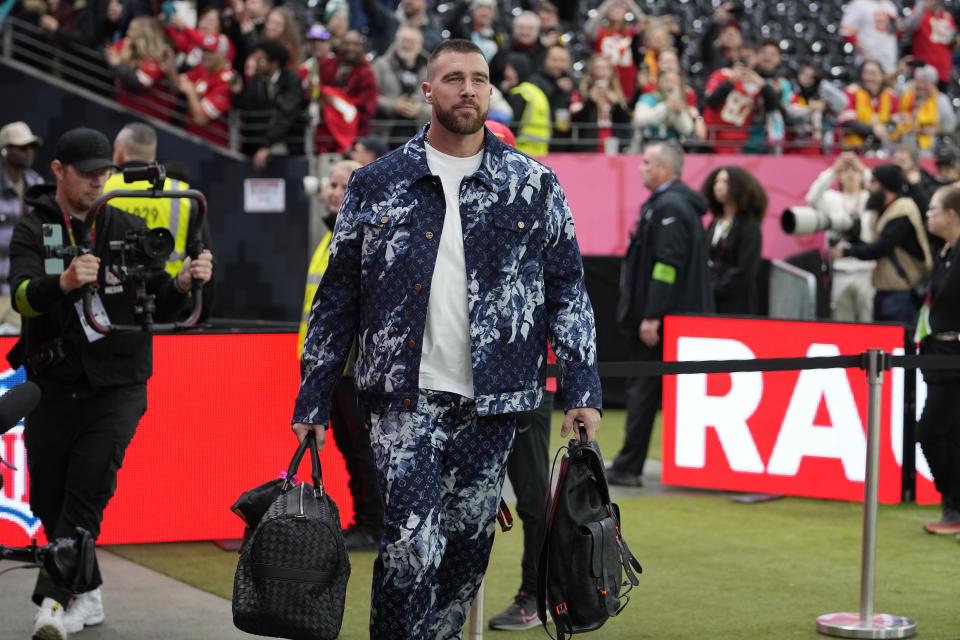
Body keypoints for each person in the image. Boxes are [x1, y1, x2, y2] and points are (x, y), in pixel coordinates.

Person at [291, 39, 602, 639]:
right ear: (428, 92)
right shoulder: (377, 184)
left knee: (463, 559)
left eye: (479, 79)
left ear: (490, 92)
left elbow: (568, 291)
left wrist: (582, 387)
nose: (468, 89)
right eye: (453, 78)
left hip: (494, 404)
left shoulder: (533, 185)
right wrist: (312, 398)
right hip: (403, 398)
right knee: (411, 547)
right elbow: (335, 302)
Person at [7, 127, 213, 639]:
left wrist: (185, 281)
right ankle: (89, 596)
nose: (99, 182)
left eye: (105, 172)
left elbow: (161, 299)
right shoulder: (33, 229)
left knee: (84, 499)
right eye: (88, 173)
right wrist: (65, 282)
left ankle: (52, 608)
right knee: (48, 504)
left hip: (118, 385)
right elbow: (24, 299)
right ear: (58, 171)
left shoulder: (125, 222)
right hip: (52, 384)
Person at [610, 142, 714, 487]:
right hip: (679, 317)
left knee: (643, 391)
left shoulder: (670, 207)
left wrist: (652, 315)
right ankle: (691, 466)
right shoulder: (673, 205)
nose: (640, 167)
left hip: (665, 320)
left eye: (648, 162)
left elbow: (667, 267)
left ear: (666, 170)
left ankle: (628, 466)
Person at [297, 158, 383, 551]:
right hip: (332, 368)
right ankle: (364, 521)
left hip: (353, 368)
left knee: (363, 452)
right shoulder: (331, 236)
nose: (333, 193)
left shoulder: (364, 239)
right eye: (331, 185)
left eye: (341, 185)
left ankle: (373, 524)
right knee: (352, 450)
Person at [105, 122, 215, 319]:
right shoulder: (184, 195)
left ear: (119, 153)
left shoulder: (101, 190)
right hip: (172, 307)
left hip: (110, 304)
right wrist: (201, 317)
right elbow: (203, 259)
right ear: (152, 156)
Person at [827, 164, 933, 324]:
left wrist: (845, 252)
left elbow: (880, 249)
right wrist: (853, 238)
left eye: (874, 182)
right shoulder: (887, 210)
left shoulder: (902, 210)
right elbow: (880, 247)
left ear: (886, 186)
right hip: (887, 292)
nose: (868, 187)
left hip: (901, 294)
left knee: (900, 344)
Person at [915, 184, 960, 535]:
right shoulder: (946, 251)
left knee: (930, 431)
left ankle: (953, 502)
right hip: (938, 353)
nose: (927, 213)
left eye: (932, 208)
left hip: (954, 358)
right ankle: (953, 508)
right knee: (948, 433)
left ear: (950, 214)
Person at [805, 152, 876, 322]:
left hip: (866, 270)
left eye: (854, 171)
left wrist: (862, 167)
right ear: (839, 177)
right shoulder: (832, 198)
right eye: (845, 170)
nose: (850, 174)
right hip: (839, 270)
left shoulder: (870, 199)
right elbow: (812, 197)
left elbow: (881, 187)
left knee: (869, 320)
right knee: (841, 322)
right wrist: (833, 169)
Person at [700, 165, 766, 315]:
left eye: (725, 182)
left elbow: (745, 270)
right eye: (716, 181)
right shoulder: (715, 223)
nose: (719, 186)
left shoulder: (749, 226)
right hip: (711, 302)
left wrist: (715, 288)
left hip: (736, 304)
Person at [231, 39, 307, 167]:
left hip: (288, 142)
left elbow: (287, 113)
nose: (256, 64)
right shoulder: (257, 80)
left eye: (261, 61)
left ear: (274, 63)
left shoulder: (291, 79)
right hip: (258, 143)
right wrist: (238, 93)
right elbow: (248, 108)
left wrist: (267, 145)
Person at [0, 121, 44, 335]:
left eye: (31, 147)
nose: (28, 152)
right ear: (5, 149)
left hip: (21, 289)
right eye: (22, 147)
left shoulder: (37, 184)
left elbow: (49, 231)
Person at [313, 30, 378, 152]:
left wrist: (341, 108)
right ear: (340, 45)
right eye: (347, 43)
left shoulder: (367, 73)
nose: (350, 48)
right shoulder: (326, 65)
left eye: (355, 44)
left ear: (361, 47)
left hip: (356, 136)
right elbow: (316, 93)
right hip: (325, 136)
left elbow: (368, 108)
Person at [371, 25, 431, 144]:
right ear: (396, 42)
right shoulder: (380, 65)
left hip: (420, 137)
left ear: (420, 46)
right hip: (386, 136)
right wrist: (393, 105)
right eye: (403, 40)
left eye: (411, 41)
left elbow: (441, 104)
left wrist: (420, 109)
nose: (406, 45)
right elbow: (369, 97)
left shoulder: (430, 69)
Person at [174, 33, 235, 147]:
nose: (205, 55)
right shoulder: (204, 68)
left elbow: (200, 119)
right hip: (191, 137)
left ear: (223, 55)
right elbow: (178, 82)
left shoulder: (227, 82)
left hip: (211, 147)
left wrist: (191, 91)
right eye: (204, 50)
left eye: (210, 52)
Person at [841, 0, 900, 76]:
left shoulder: (889, 5)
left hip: (889, 59)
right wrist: (864, 52)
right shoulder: (859, 4)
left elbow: (896, 32)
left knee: (888, 87)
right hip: (868, 60)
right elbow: (846, 32)